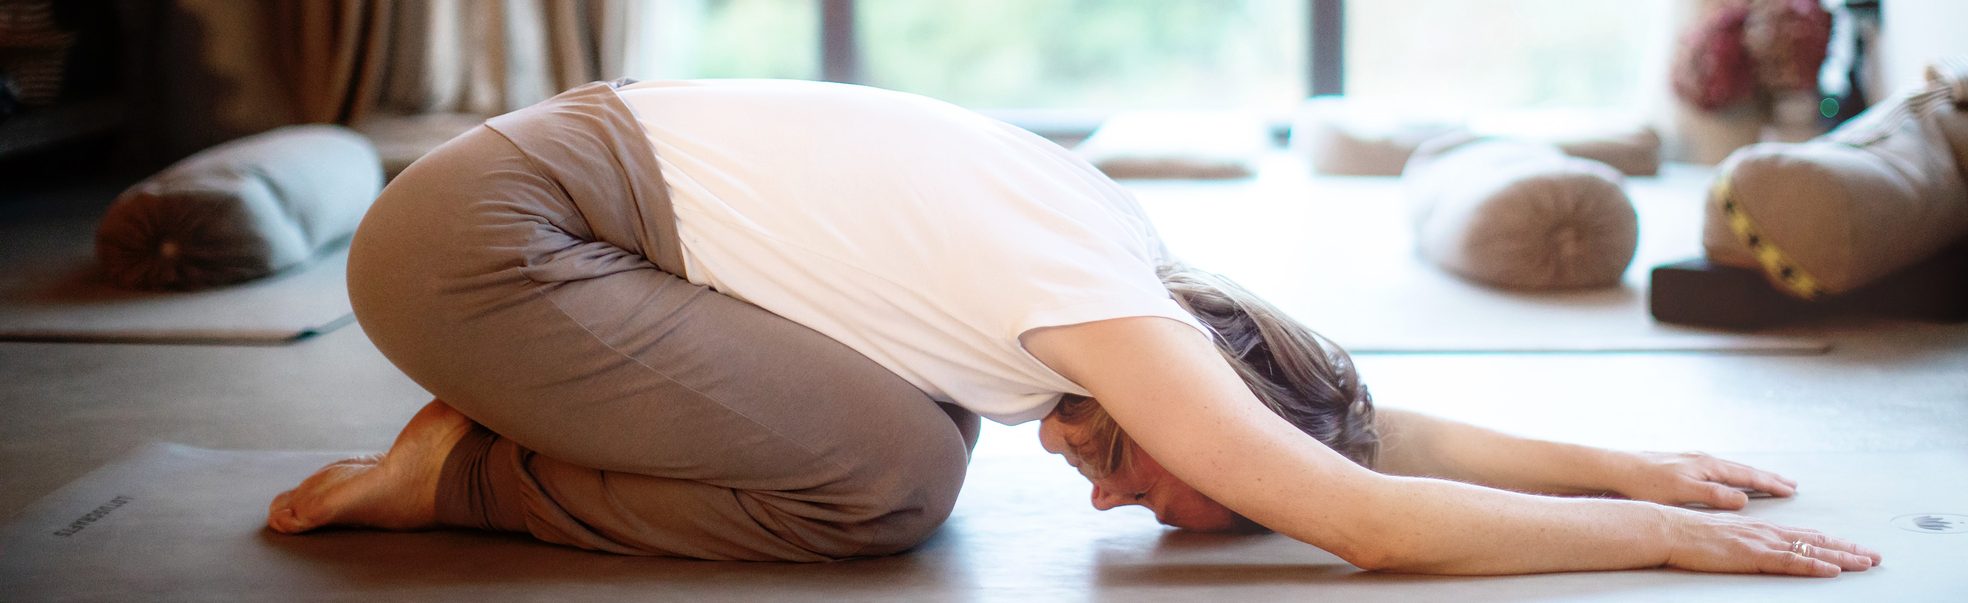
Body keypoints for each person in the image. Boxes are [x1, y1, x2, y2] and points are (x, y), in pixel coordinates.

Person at [268, 79, 1881, 576]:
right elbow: (1365, 510)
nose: (1118, 504)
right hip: (489, 243)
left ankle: (511, 424)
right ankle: (464, 477)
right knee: (892, 477)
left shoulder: (1138, 281)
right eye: (1190, 491)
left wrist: (1629, 463)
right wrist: (1660, 544)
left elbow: (1359, 434)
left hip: (543, 209)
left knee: (917, 428)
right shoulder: (1111, 313)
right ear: (1215, 410)